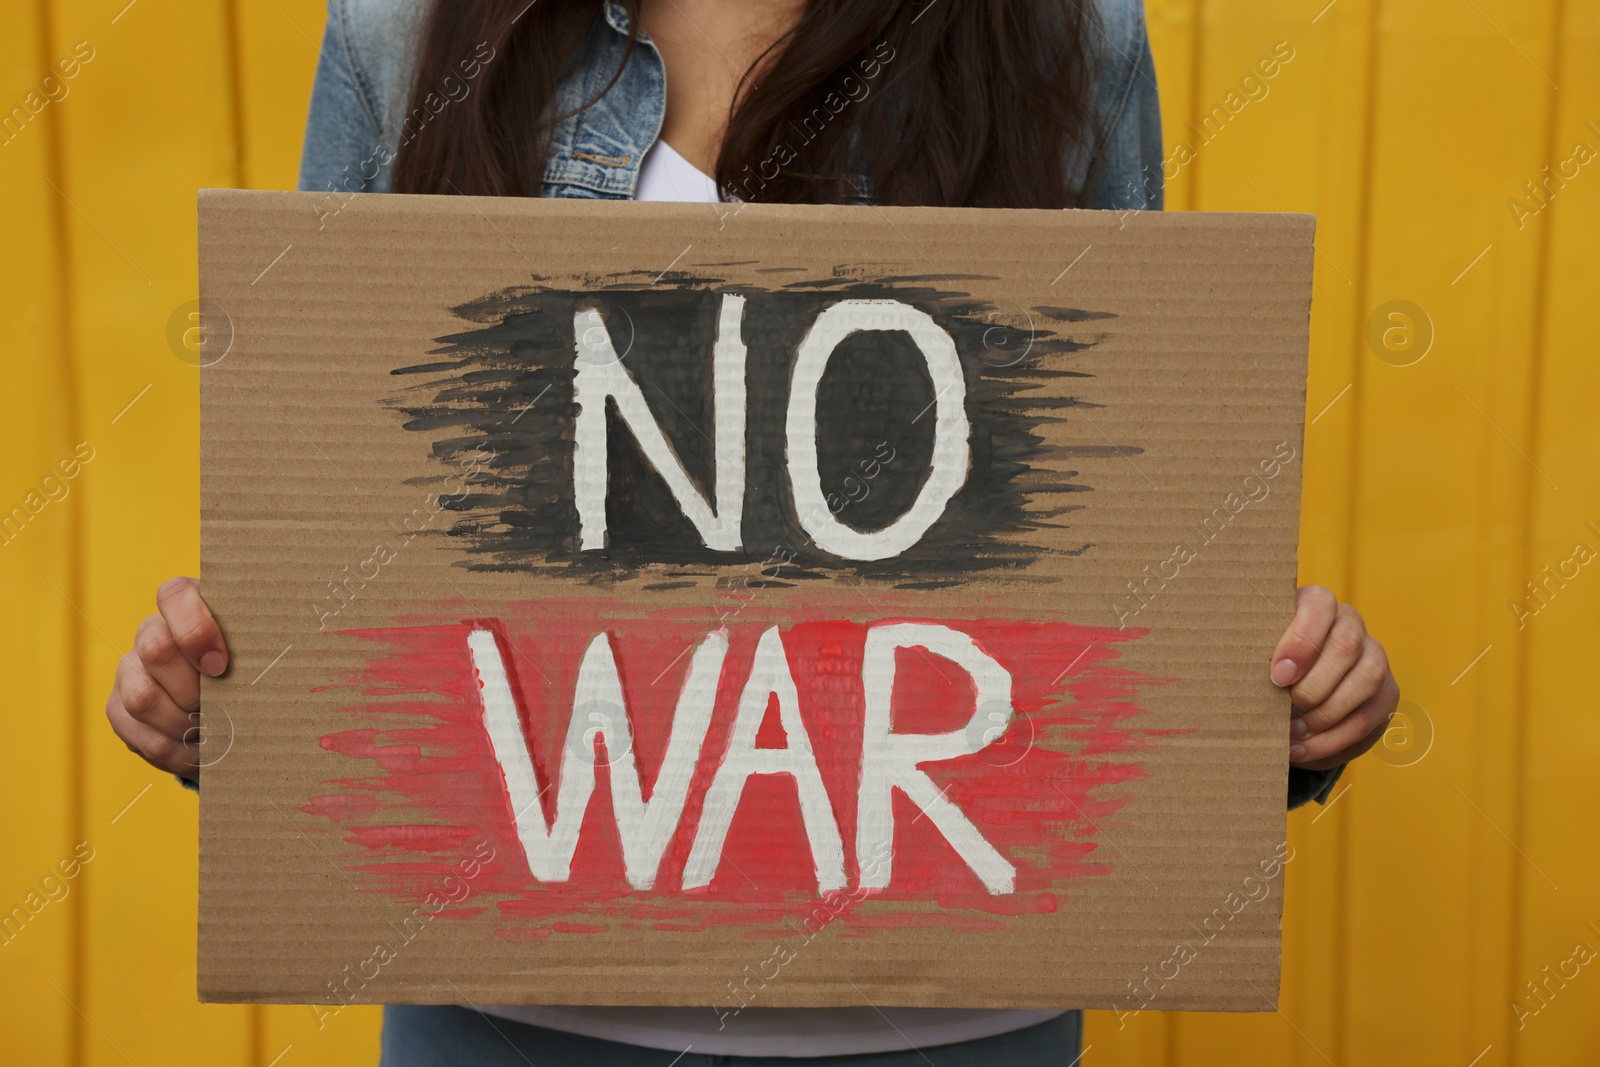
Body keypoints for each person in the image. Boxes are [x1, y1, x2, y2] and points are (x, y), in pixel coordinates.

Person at [105, 0, 1400, 1063]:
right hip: (508, 1025)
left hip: (954, 1029)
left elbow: (1116, 535)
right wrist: (230, 710)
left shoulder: (1061, 33)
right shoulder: (409, 29)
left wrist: (1277, 714)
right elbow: (345, 546)